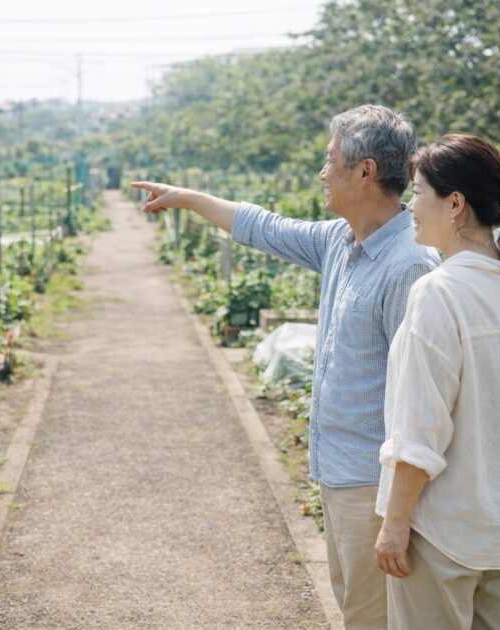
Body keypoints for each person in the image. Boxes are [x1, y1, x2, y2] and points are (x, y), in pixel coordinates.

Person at [133, 104, 439, 629]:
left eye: (331, 160)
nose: (322, 173)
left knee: (372, 617)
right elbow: (264, 227)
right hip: (338, 470)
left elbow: (422, 395)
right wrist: (187, 198)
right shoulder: (341, 242)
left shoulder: (408, 264)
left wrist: (399, 513)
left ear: (365, 172)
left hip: (374, 483)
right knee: (353, 605)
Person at [373, 134, 500, 629]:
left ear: (454, 203)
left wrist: (394, 527)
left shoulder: (440, 293)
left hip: (445, 531)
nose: (410, 205)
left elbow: (419, 432)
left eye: (417, 192)